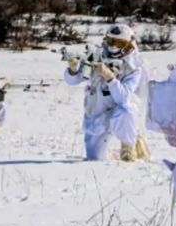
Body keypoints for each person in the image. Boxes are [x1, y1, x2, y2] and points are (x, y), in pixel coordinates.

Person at [63, 24, 150, 162]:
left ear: (128, 44)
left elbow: (123, 98)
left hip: (117, 112)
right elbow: (72, 81)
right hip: (96, 114)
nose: (113, 46)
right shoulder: (96, 55)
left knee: (126, 110)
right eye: (110, 41)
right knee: (95, 159)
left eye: (119, 42)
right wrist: (73, 70)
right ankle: (128, 138)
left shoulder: (133, 68)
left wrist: (109, 77)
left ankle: (129, 145)